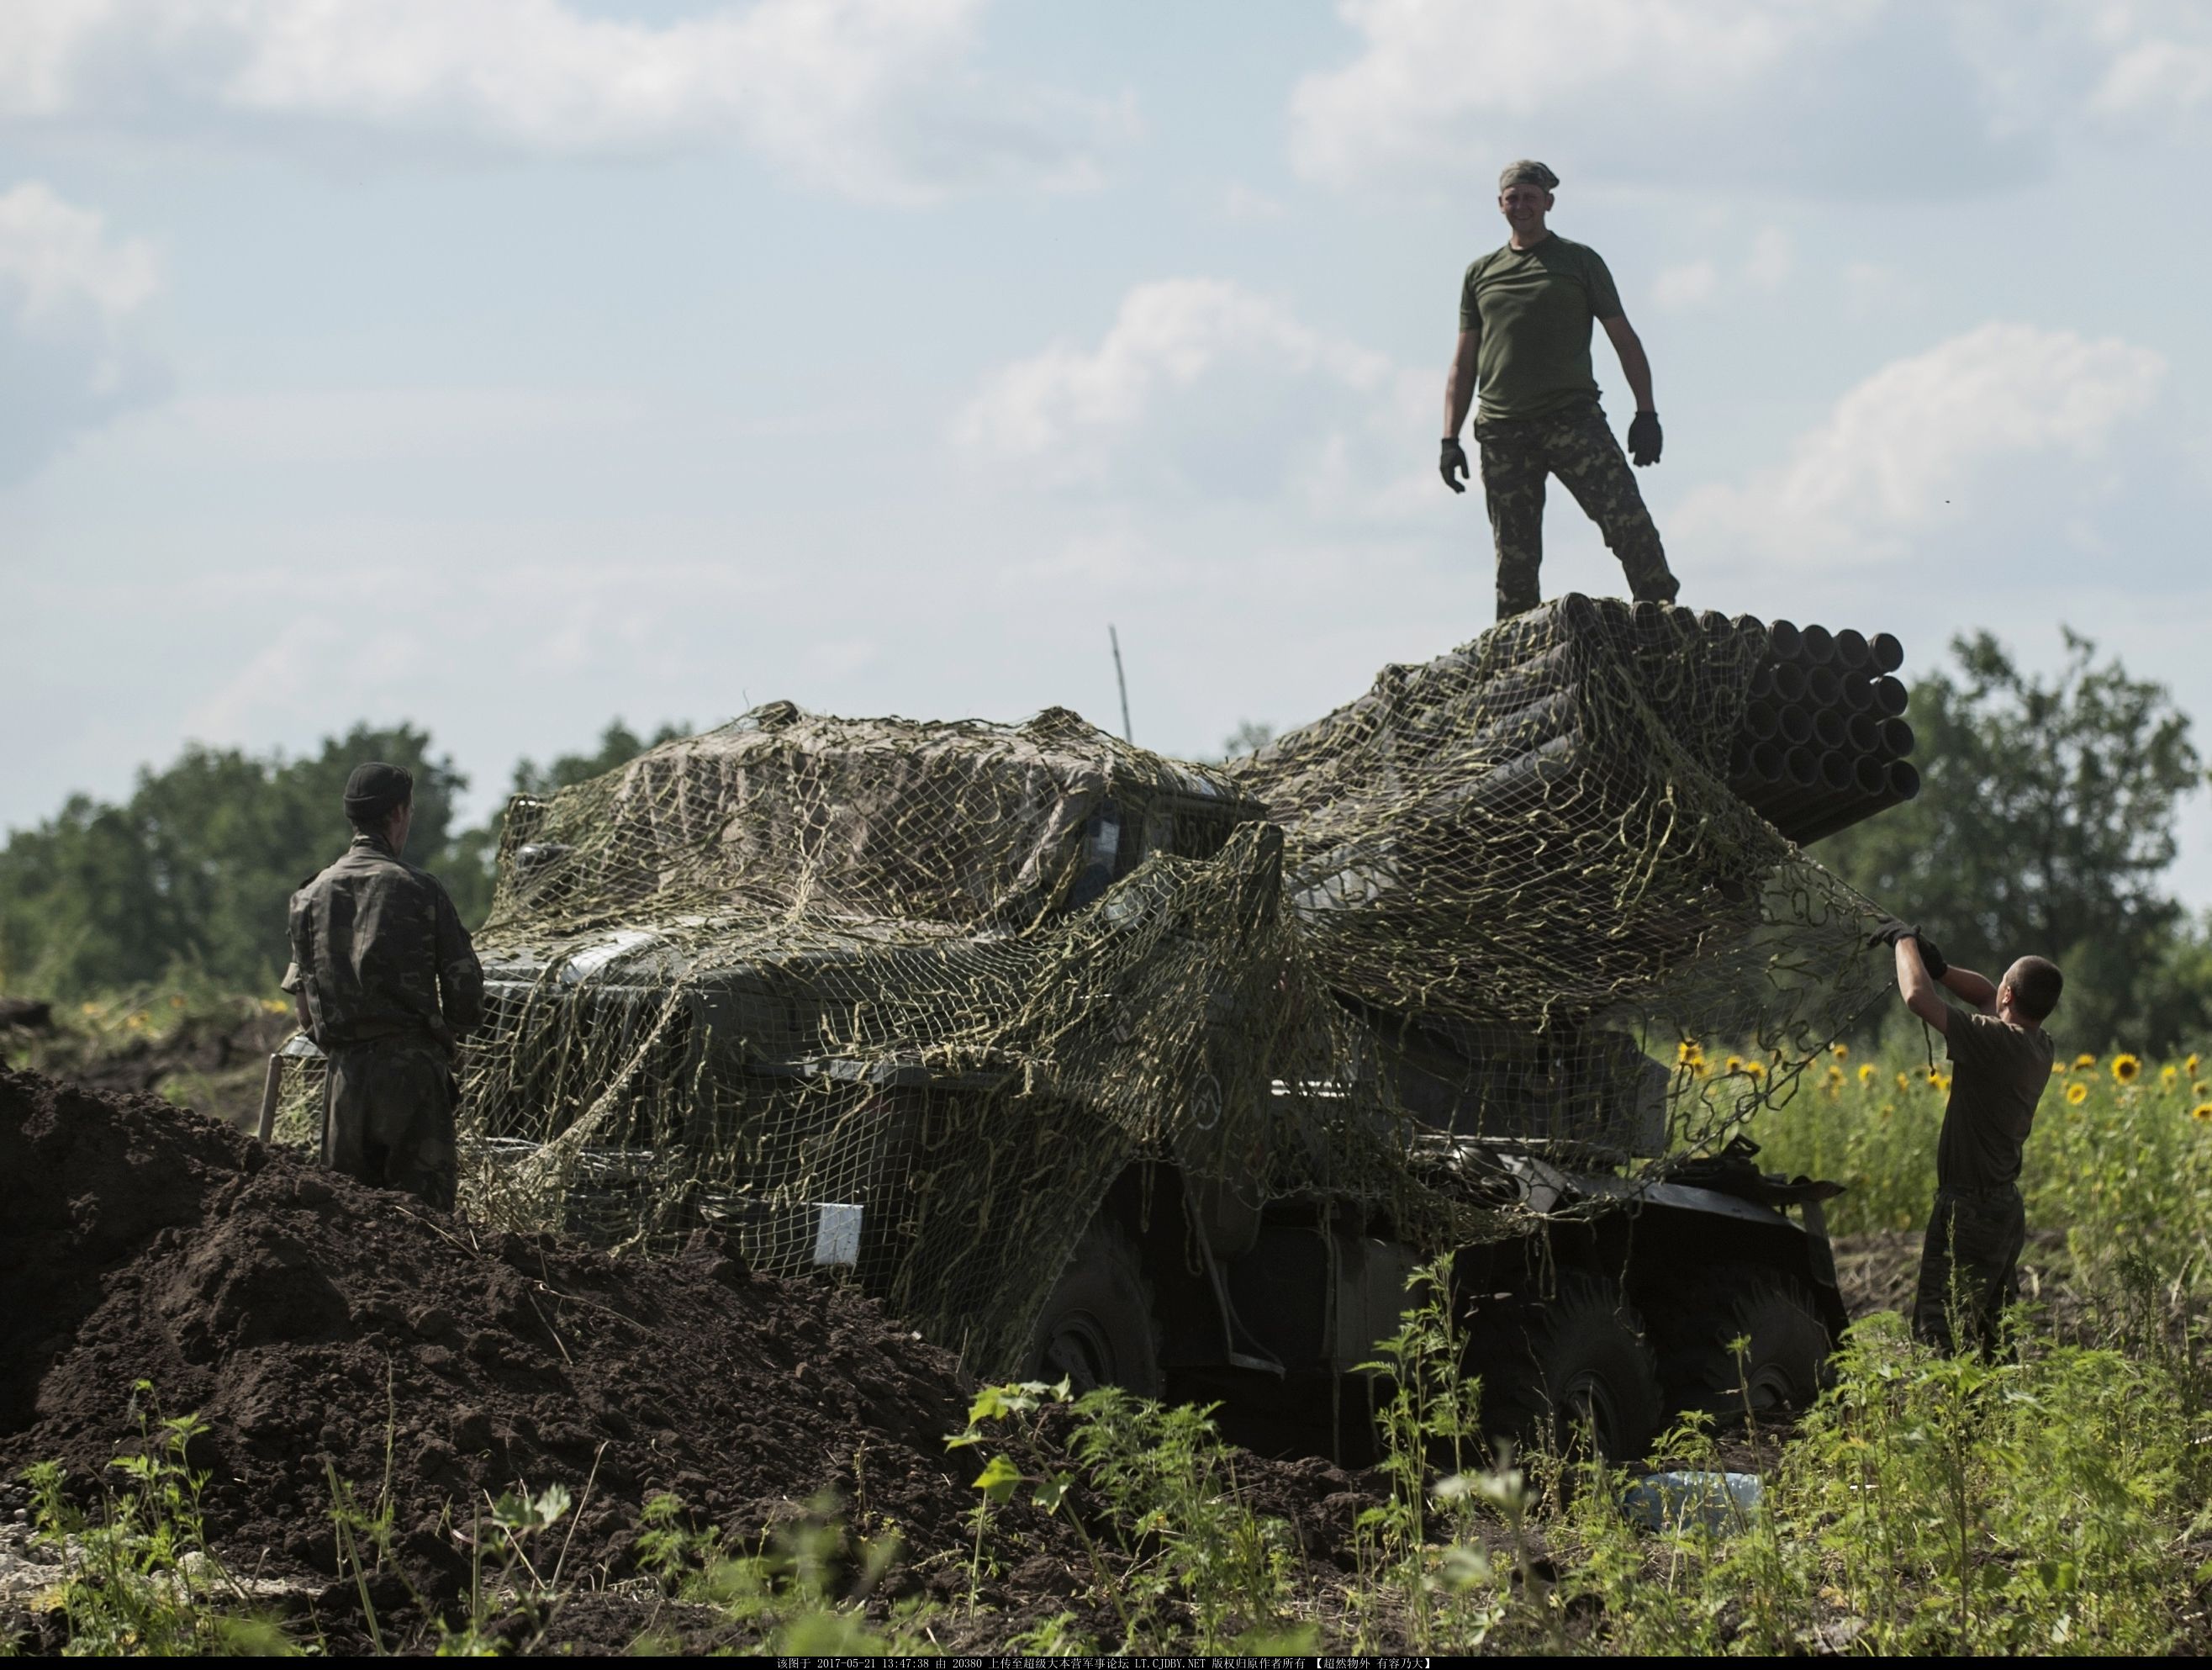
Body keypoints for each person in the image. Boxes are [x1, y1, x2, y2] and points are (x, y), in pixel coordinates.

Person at [1439, 159, 1681, 621]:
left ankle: (1663, 625)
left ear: (1548, 202)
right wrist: (1449, 440)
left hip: (1572, 420)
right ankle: (1519, 664)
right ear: (1500, 205)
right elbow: (1463, 362)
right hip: (1503, 431)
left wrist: (1646, 412)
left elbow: (1624, 339)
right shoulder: (1480, 274)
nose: (1522, 205)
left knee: (1629, 525)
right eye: (1513, 197)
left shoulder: (1579, 262)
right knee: (1515, 560)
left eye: (1531, 196)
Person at [283, 762, 484, 1209]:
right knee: (426, 1232)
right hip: (413, 1081)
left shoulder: (309, 897)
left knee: (350, 1228)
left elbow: (303, 1011)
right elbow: (466, 992)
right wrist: (447, 1038)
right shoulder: (420, 890)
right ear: (397, 814)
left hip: (344, 1086)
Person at [1879, 921, 2063, 1354]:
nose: (1992, 992)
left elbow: (1917, 998)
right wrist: (1940, 968)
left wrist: (1902, 941)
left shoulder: (1995, 1042)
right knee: (1990, 1334)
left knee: (1941, 1332)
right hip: (2002, 1208)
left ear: (2008, 997)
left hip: (1969, 1210)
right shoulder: (2039, 1044)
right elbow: (1984, 995)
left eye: (2001, 986)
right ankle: (1991, 1416)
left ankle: (1955, 1415)